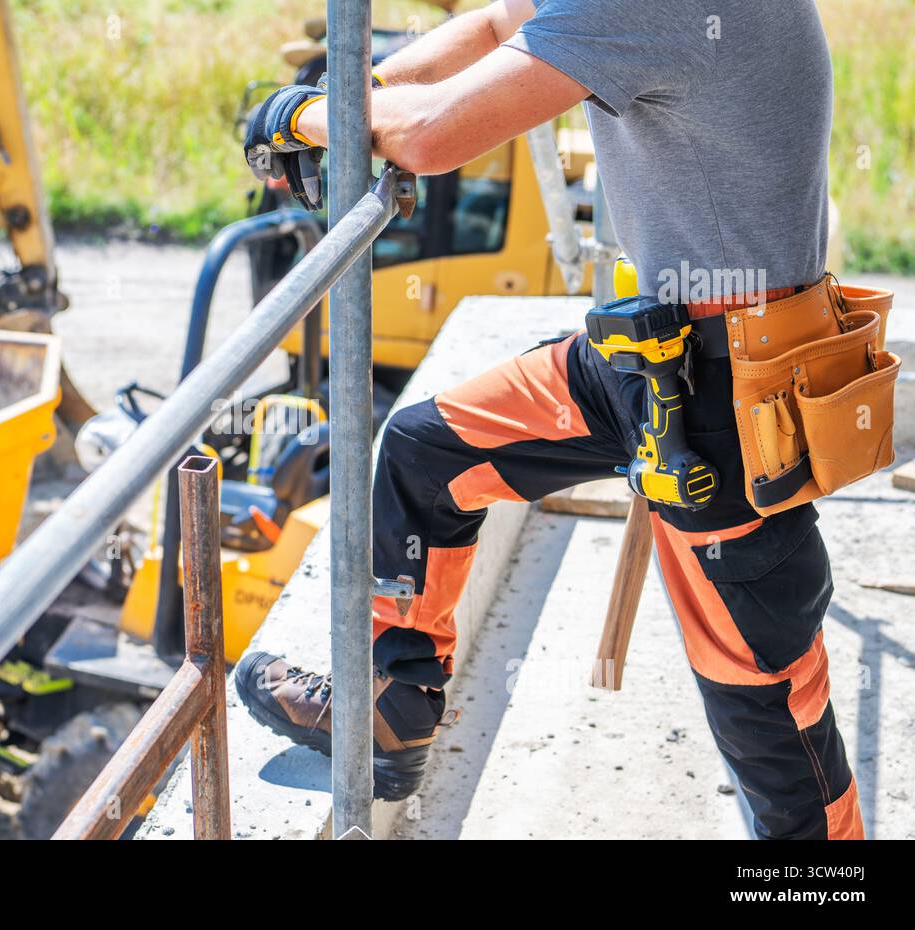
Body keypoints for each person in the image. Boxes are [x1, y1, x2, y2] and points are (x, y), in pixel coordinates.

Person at [237, 0, 865, 840]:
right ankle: (391, 713)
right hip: (649, 357)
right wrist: (371, 87)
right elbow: (504, 21)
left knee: (765, 701)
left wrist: (306, 114)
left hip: (727, 393)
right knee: (428, 452)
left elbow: (429, 137)